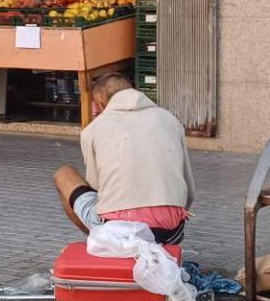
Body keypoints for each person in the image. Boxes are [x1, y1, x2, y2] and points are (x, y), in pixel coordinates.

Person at [54, 73, 195, 244]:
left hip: (118, 232)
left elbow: (97, 190)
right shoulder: (170, 120)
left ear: (99, 103)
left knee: (63, 174)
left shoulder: (93, 130)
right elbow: (189, 189)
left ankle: (104, 243)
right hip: (172, 232)